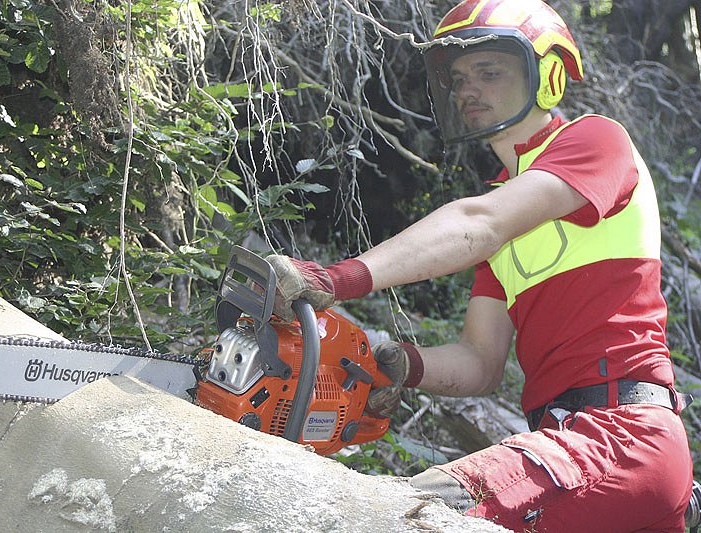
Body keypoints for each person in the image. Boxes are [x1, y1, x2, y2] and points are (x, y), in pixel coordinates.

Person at [265, 0, 695, 531]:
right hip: (573, 441)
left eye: (489, 72)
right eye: (459, 77)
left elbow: (480, 222)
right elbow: (480, 362)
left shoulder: (595, 140)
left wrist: (337, 277)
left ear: (549, 75)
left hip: (622, 434)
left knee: (404, 515)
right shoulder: (506, 215)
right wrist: (400, 362)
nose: (468, 89)